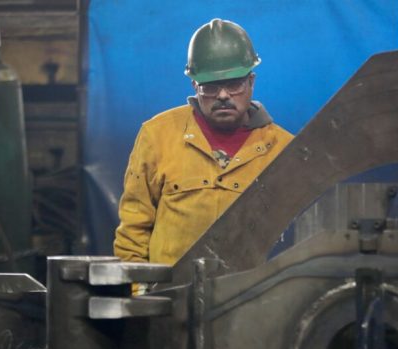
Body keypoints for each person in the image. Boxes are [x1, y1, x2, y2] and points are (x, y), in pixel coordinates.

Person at [114, 18, 293, 268]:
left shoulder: (283, 150)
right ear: (194, 85)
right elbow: (133, 233)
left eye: (234, 84)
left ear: (251, 82)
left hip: (252, 300)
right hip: (170, 299)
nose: (222, 95)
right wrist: (140, 297)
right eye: (210, 86)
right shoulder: (158, 136)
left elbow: (295, 239)